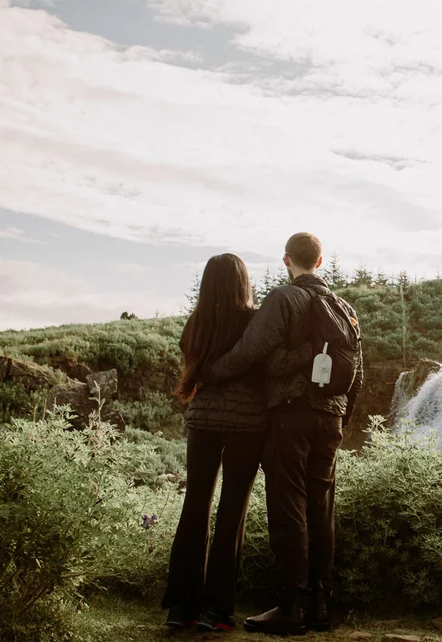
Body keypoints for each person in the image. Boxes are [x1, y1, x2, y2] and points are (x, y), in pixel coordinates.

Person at [203, 232, 363, 636]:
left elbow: (250, 351)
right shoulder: (344, 308)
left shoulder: (284, 299)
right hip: (330, 418)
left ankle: (291, 604)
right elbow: (357, 373)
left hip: (291, 416)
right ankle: (320, 605)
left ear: (287, 260)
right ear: (321, 262)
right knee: (320, 508)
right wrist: (340, 420)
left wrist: (210, 373)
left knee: (288, 506)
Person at [161, 253, 268, 632]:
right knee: (231, 513)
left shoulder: (196, 323)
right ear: (243, 282)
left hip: (204, 424)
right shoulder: (255, 321)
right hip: (247, 427)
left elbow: (192, 359)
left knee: (195, 506)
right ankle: (217, 611)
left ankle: (181, 608)